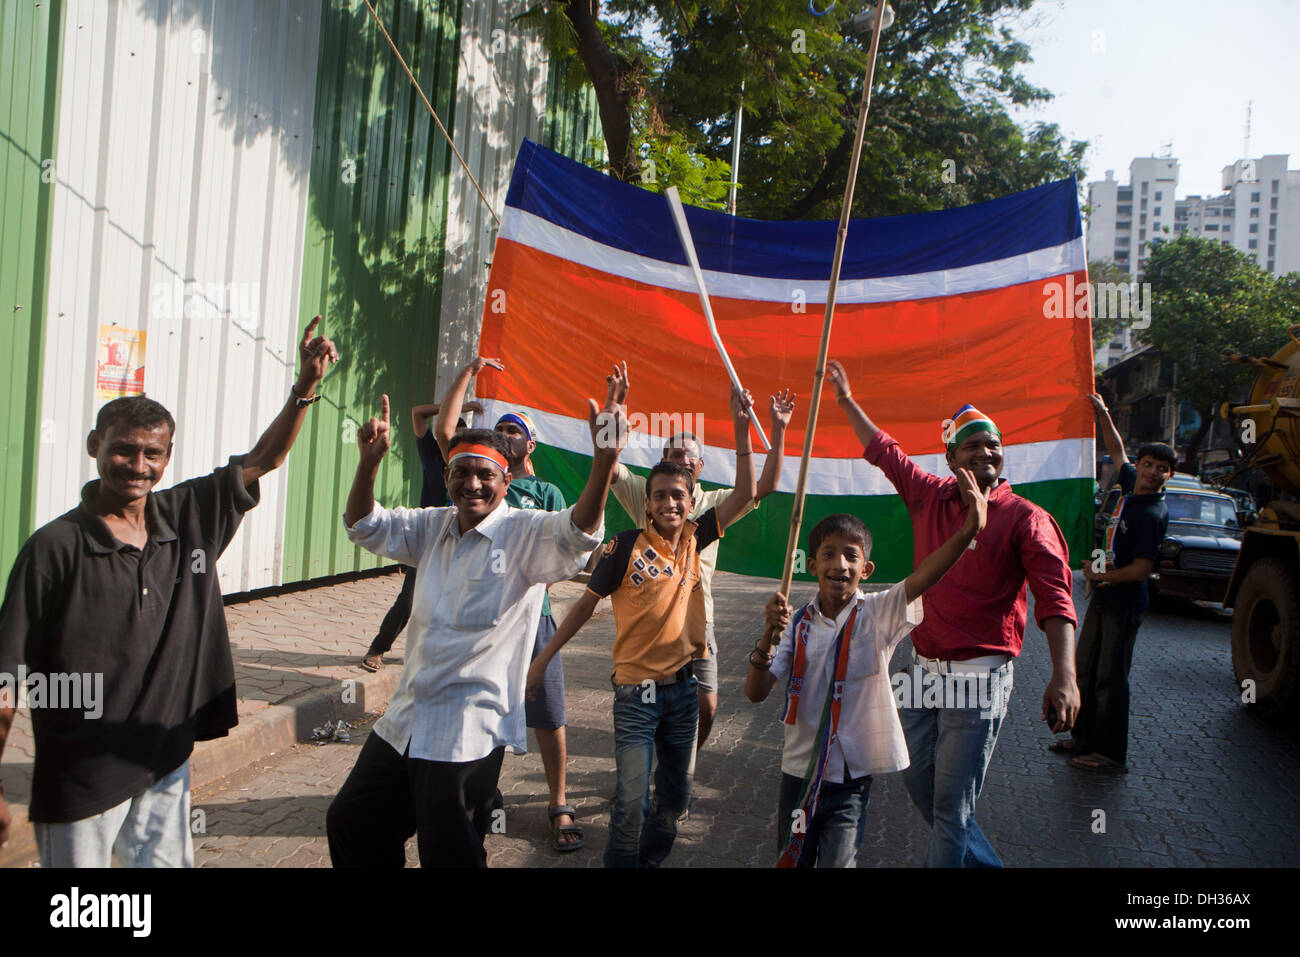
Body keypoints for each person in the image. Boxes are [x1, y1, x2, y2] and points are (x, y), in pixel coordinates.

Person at [0, 318, 339, 866]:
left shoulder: (189, 516)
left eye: (152, 454)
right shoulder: (54, 548)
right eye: (123, 451)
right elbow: (7, 675)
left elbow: (266, 459)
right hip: (81, 774)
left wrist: (304, 389)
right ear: (94, 446)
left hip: (164, 760)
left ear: (167, 455)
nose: (138, 466)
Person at [325, 364, 629, 868]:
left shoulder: (525, 534)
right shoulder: (432, 527)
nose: (473, 484)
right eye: (461, 472)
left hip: (465, 732)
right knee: (352, 822)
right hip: (405, 720)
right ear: (446, 477)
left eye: (485, 474)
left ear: (506, 481)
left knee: (450, 853)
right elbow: (363, 524)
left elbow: (578, 534)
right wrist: (368, 465)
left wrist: (604, 461)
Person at [826, 359, 1080, 867]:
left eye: (993, 446)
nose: (986, 452)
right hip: (920, 674)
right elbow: (884, 451)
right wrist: (846, 401)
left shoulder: (1026, 518)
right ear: (951, 456)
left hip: (980, 680)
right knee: (921, 787)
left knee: (950, 808)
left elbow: (1056, 599)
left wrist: (1065, 675)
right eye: (972, 445)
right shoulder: (927, 495)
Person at [527, 386, 764, 867]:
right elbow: (581, 609)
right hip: (635, 697)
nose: (670, 504)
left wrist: (742, 429)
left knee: (673, 807)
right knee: (632, 805)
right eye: (659, 496)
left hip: (682, 697)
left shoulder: (699, 537)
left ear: (690, 498)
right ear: (648, 503)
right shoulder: (621, 547)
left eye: (678, 496)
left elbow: (748, 491)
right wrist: (544, 658)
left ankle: (650, 862)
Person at [747, 469, 989, 867]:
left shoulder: (878, 613)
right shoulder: (796, 624)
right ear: (810, 563)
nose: (839, 563)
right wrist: (766, 637)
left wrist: (967, 532)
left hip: (851, 780)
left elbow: (927, 575)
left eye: (851, 555)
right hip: (799, 772)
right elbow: (756, 692)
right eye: (828, 553)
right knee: (792, 861)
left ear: (866, 569)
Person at [434, 358, 582, 851]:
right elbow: (444, 431)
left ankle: (559, 801)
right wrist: (466, 375)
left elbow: (573, 534)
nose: (506, 435)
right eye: (500, 429)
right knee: (483, 709)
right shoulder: (478, 482)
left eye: (515, 431)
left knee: (549, 712)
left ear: (530, 445)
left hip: (535, 620)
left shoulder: (545, 492)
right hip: (482, 621)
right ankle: (484, 793)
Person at [609, 390, 795, 748]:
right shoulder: (645, 497)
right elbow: (611, 468)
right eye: (673, 454)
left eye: (688, 456)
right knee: (648, 706)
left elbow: (764, 486)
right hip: (649, 623)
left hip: (698, 621)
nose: (680, 460)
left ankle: (683, 765)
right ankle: (659, 767)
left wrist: (774, 428)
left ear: (700, 468)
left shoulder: (714, 507)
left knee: (706, 707)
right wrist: (609, 427)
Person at [1053, 394, 1172, 773]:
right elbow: (1117, 450)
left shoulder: (1153, 513)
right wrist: (1103, 413)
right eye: (1149, 464)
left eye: (1163, 468)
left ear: (1169, 475)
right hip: (1103, 598)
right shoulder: (1131, 484)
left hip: (1124, 602)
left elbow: (1140, 570)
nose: (1153, 472)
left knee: (1111, 679)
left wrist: (1100, 575)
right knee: (1085, 669)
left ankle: (1109, 754)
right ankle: (1082, 740)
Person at [359, 399, 481, 672]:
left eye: (461, 437)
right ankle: (377, 649)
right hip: (428, 536)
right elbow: (417, 412)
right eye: (451, 435)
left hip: (460, 537)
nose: (455, 441)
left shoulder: (468, 469)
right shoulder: (431, 454)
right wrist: (461, 406)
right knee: (410, 598)